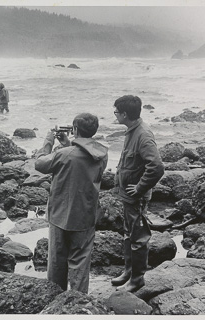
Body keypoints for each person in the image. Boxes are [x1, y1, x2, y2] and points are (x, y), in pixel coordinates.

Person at [35, 113, 108, 293]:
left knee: (57, 260)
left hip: (60, 214)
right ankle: (78, 301)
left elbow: (39, 164)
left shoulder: (63, 154)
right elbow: (80, 158)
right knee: (81, 262)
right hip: (85, 215)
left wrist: (48, 141)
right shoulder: (102, 154)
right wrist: (68, 143)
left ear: (75, 129)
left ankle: (55, 298)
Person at [111, 95, 164, 292]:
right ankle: (128, 271)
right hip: (128, 195)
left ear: (125, 114)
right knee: (128, 234)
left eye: (116, 112)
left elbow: (157, 167)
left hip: (136, 196)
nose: (115, 115)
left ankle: (137, 278)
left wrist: (140, 188)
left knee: (138, 238)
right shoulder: (131, 131)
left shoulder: (143, 135)